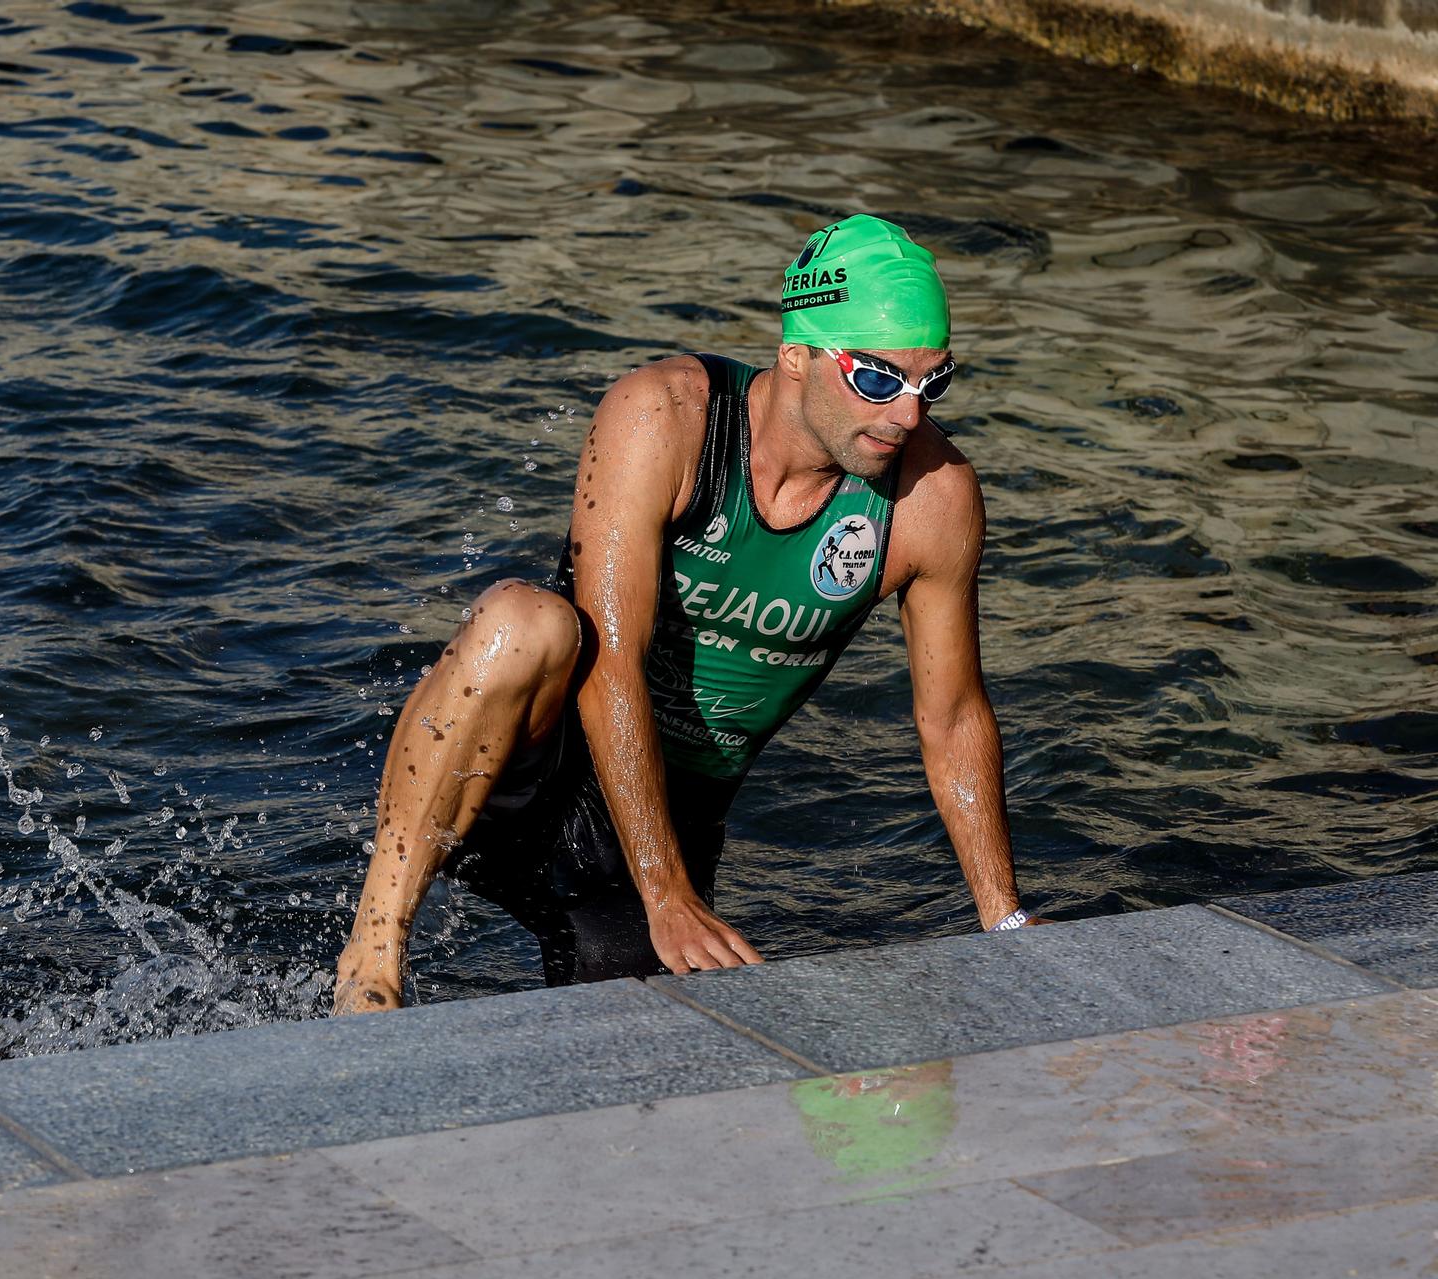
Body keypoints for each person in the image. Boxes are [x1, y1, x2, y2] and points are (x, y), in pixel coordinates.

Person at [334, 213, 1036, 1014]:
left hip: (669, 818)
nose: (907, 416)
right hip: (529, 763)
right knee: (523, 623)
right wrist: (664, 889)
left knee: (635, 1078)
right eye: (877, 379)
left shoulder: (932, 500)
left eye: (930, 382)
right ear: (797, 354)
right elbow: (612, 664)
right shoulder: (664, 417)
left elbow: (951, 718)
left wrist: (1005, 920)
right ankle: (373, 957)